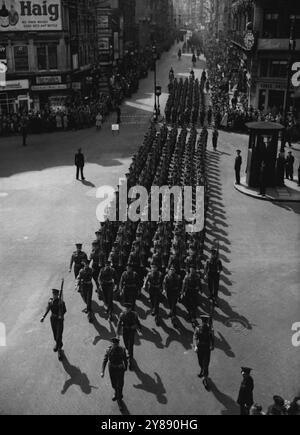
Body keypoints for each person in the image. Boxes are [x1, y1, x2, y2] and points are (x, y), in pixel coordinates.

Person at [40, 288, 66, 361]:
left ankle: (59, 349)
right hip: (53, 319)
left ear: (58, 295)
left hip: (59, 320)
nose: (54, 295)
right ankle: (58, 344)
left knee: (58, 335)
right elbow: (48, 309)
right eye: (53, 294)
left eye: (55, 294)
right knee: (55, 334)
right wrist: (43, 316)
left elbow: (64, 310)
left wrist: (61, 314)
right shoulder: (50, 301)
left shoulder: (61, 302)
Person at [101, 337, 128, 404]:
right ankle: (116, 392)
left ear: (118, 344)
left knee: (120, 384)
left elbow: (125, 359)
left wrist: (125, 367)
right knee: (114, 383)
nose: (114, 345)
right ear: (111, 344)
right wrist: (102, 371)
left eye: (116, 344)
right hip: (112, 369)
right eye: (113, 344)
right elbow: (105, 360)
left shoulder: (122, 350)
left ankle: (119, 398)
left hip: (120, 368)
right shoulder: (108, 350)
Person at [117, 303, 142, 370]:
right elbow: (119, 324)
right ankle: (129, 354)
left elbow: (137, 322)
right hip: (125, 331)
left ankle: (130, 361)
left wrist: (139, 327)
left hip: (131, 331)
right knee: (126, 345)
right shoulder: (122, 315)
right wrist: (118, 334)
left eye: (128, 308)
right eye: (126, 308)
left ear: (130, 309)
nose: (126, 309)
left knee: (130, 346)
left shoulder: (134, 314)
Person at [193, 316, 214, 389]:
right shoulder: (198, 328)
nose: (204, 323)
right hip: (200, 348)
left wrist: (212, 345)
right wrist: (195, 346)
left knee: (206, 364)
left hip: (207, 348)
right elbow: (195, 337)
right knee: (200, 362)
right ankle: (202, 369)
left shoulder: (210, 329)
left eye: (206, 322)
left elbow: (212, 338)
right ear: (202, 322)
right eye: (203, 322)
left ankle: (205, 379)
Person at [143, 262, 163, 326]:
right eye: (152, 267)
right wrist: (144, 285)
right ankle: (154, 309)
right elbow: (146, 280)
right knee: (152, 300)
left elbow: (162, 282)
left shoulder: (160, 274)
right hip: (151, 288)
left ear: (157, 268)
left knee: (156, 302)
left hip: (157, 289)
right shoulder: (149, 274)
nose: (153, 268)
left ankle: (156, 315)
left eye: (154, 267)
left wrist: (162, 289)